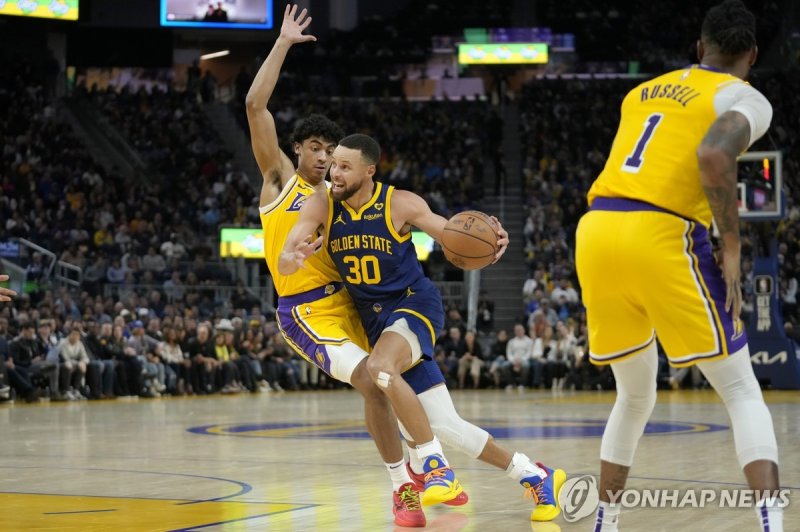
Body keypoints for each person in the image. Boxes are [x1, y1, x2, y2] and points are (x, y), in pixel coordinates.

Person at [279, 133, 566, 523]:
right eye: (333, 166)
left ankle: (434, 468)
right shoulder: (322, 204)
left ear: (369, 170)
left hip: (415, 305)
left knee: (379, 370)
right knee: (446, 425)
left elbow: (450, 233)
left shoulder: (400, 202)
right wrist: (288, 257)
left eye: (345, 166)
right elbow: (289, 248)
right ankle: (534, 474)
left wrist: (491, 239)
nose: (335, 173)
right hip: (377, 323)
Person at [574, 2, 782, 531]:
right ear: (752, 55)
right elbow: (715, 155)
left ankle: (607, 521)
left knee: (635, 395)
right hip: (660, 233)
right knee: (739, 389)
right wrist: (730, 244)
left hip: (597, 229)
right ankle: (771, 525)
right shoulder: (744, 96)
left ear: (699, 46)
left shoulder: (641, 92)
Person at [246, 5, 446, 526]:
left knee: (382, 384)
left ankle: (421, 477)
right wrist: (285, 43)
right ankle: (410, 477)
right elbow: (254, 105)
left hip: (354, 305)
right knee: (370, 379)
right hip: (305, 312)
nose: (322, 160)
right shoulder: (280, 180)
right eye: (315, 149)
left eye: (332, 153)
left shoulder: (342, 200)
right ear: (298, 150)